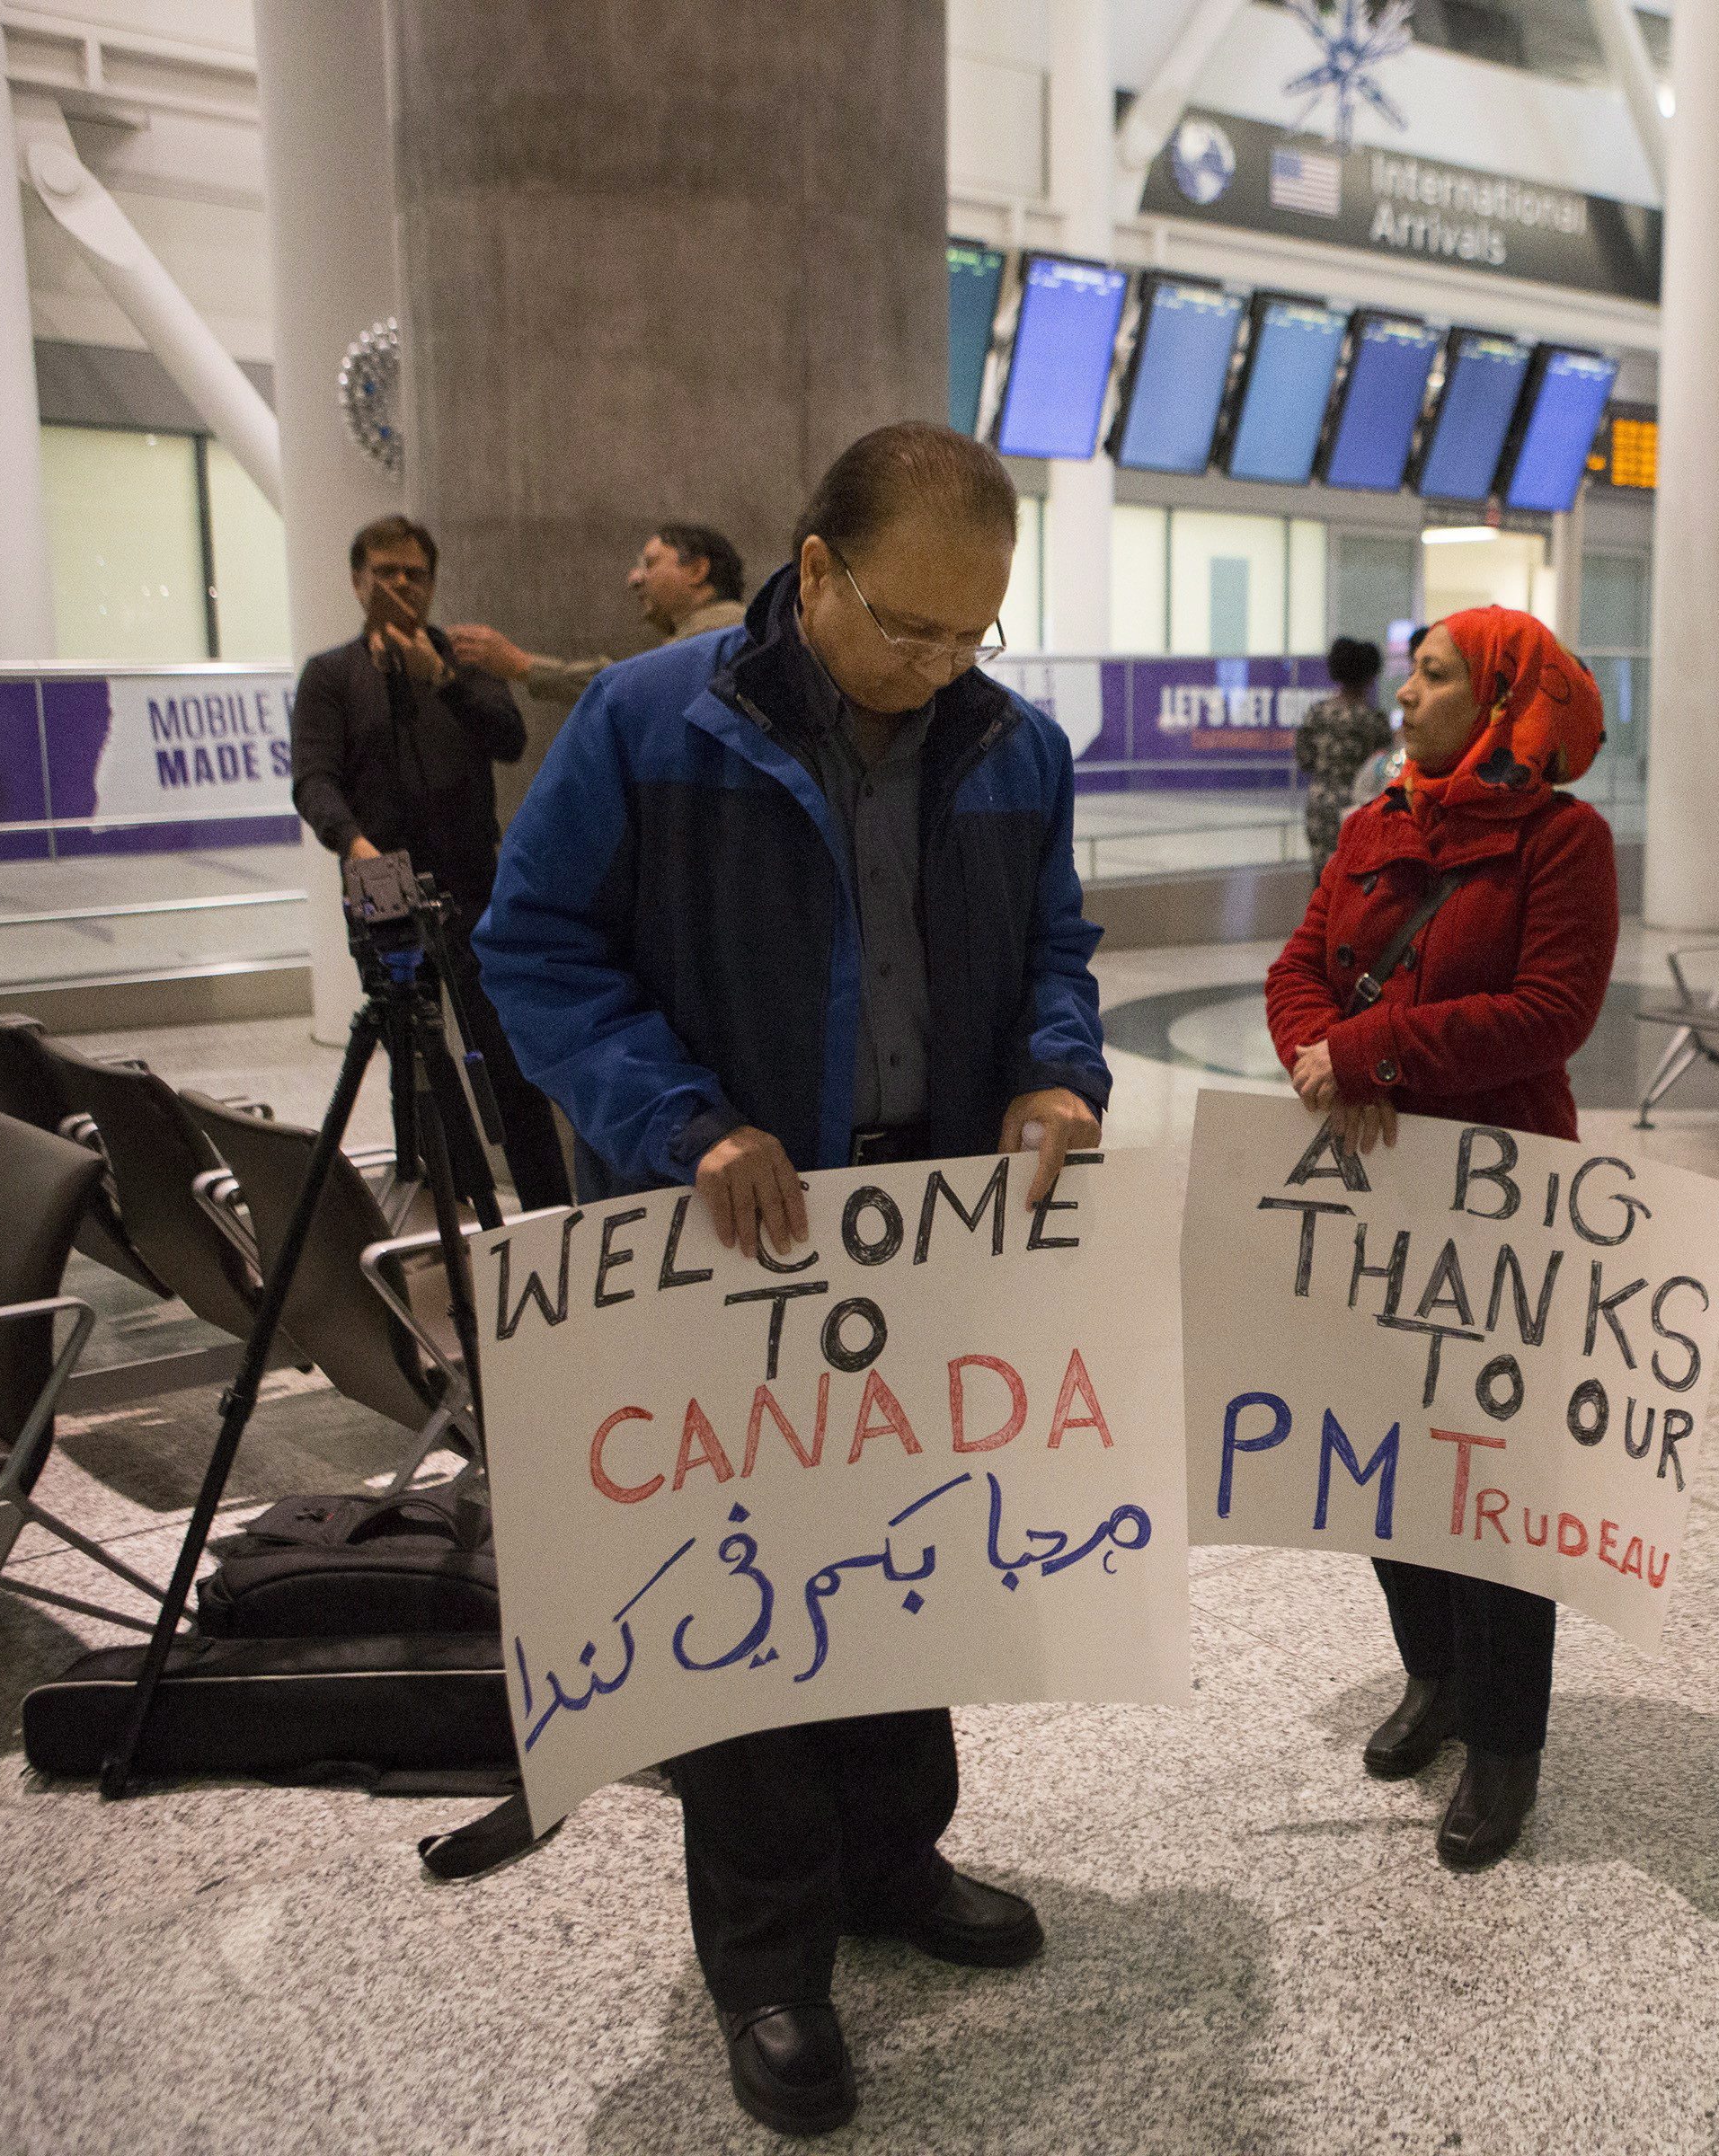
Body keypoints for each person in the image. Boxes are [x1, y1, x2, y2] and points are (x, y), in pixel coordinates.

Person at [474, 424, 1108, 2138]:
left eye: (973, 633)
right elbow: (531, 949)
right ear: (812, 569)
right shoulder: (648, 724)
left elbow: (1057, 946)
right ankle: (769, 1961)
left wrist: (1058, 1074)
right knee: (741, 1598)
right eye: (908, 626)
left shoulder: (1016, 747)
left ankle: (897, 1858)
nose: (936, 666)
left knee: (905, 1565)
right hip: (722, 1225)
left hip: (923, 1231)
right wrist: (681, 1125)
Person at [1264, 605, 1617, 1873]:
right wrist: (1326, 1054)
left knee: (1494, 1475)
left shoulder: (1563, 842)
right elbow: (1298, 967)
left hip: (1499, 1192)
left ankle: (1509, 1737)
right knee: (1386, 1456)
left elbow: (1551, 1014)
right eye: (1409, 673)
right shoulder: (1378, 822)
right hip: (1371, 1179)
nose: (1405, 698)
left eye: (1435, 676)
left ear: (1510, 700)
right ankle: (1438, 1677)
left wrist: (1372, 1051)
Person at [289, 513, 571, 1209]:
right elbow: (313, 778)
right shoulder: (332, 675)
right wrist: (356, 847)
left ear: (433, 583)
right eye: (385, 573)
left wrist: (440, 676)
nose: (401, 585)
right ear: (359, 582)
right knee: (416, 1067)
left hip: (473, 885)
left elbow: (508, 740)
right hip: (379, 881)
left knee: (509, 1058)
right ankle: (450, 1215)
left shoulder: (463, 662)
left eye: (415, 573)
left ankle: (548, 1217)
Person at [446, 523, 750, 706]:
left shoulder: (725, 629)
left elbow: (632, 689)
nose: (634, 578)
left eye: (650, 563)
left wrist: (522, 665)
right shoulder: (716, 634)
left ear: (698, 570)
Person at [1295, 635, 1396, 872]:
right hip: (1359, 807)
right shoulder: (1374, 720)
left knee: (1322, 880)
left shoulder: (1317, 713)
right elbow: (1384, 768)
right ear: (1371, 677)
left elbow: (1304, 759)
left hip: (1320, 805)